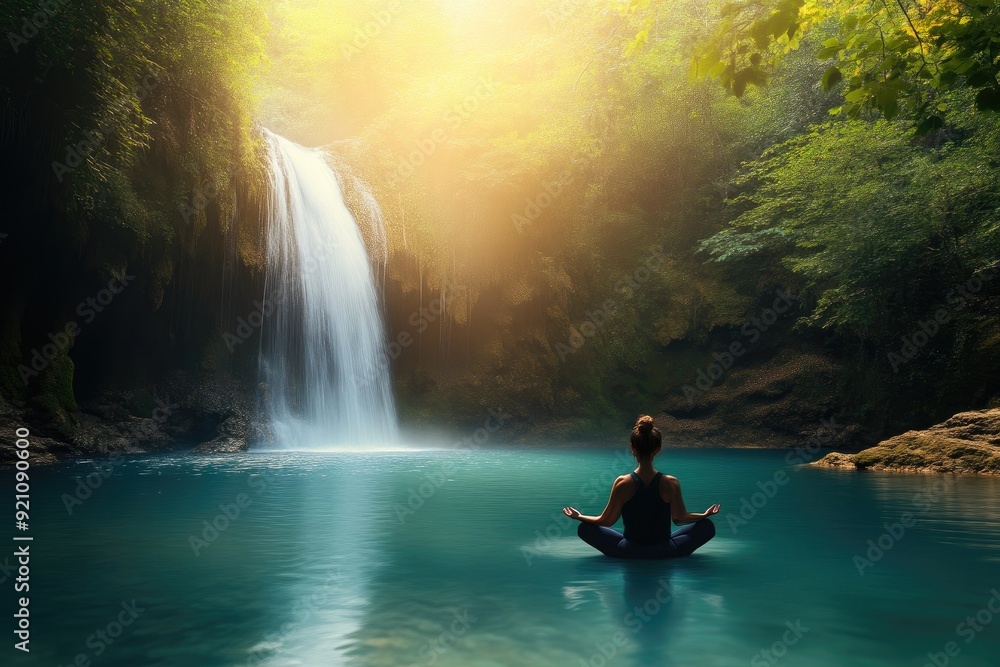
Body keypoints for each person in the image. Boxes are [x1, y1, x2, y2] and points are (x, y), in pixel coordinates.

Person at [563, 415, 720, 559]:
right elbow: (679, 518)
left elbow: (606, 520)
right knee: (706, 526)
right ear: (657, 449)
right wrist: (704, 515)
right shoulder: (670, 483)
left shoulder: (622, 483)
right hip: (665, 551)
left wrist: (579, 516)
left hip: (629, 551)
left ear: (632, 447)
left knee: (585, 528)